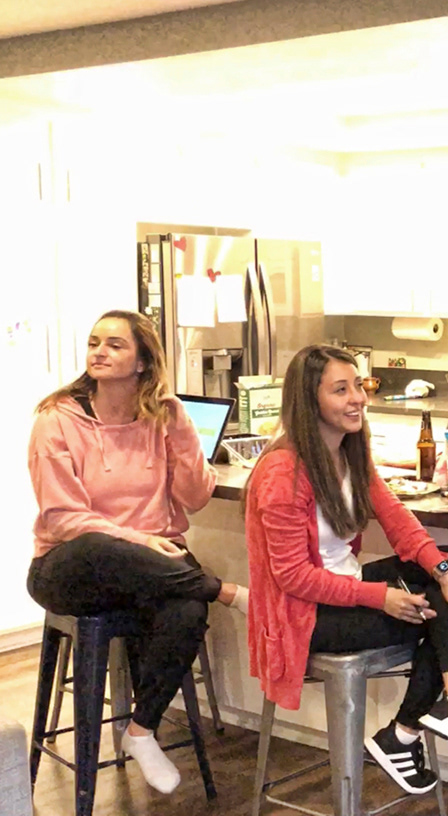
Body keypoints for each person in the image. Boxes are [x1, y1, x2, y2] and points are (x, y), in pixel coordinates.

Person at [243, 344, 448, 797]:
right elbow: (293, 577)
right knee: (439, 618)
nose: (358, 398)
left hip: (344, 591)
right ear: (309, 399)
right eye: (341, 390)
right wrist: (380, 597)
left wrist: (442, 570)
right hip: (302, 617)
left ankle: (436, 716)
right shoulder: (282, 473)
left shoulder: (349, 452)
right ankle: (411, 731)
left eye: (358, 385)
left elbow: (397, 520)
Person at [26, 309, 248, 795]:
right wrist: (143, 540)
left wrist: (181, 426)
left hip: (151, 568)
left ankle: (142, 731)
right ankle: (225, 591)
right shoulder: (57, 419)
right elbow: (63, 518)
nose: (99, 352)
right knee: (101, 546)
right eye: (94, 343)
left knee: (188, 609)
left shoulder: (159, 419)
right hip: (71, 566)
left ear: (143, 362)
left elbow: (195, 497)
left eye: (115, 345)